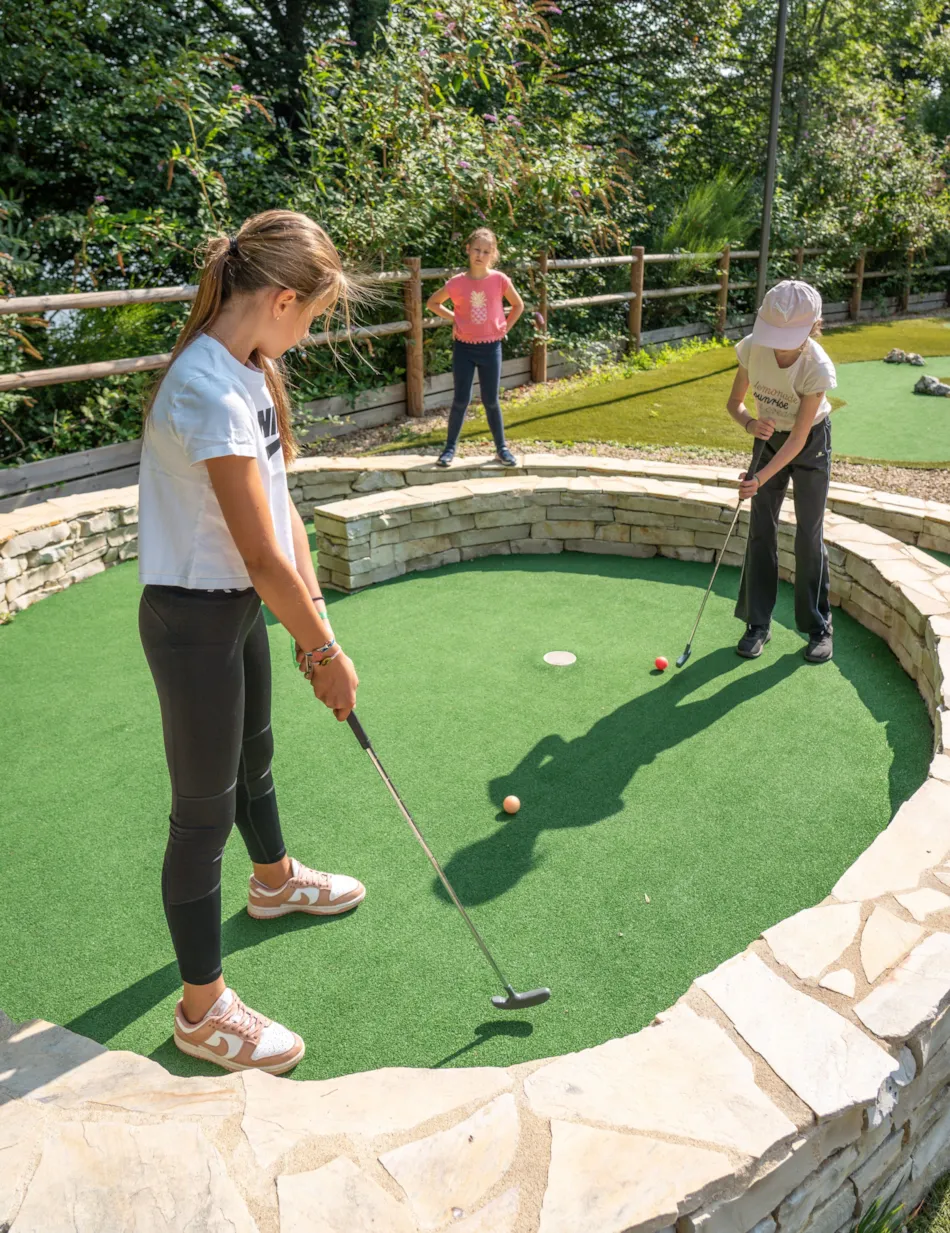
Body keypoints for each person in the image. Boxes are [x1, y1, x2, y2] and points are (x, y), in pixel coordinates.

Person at [138, 210, 364, 1075]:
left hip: (235, 609)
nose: (306, 336)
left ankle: (273, 881)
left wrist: (321, 633)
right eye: (310, 316)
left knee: (253, 760)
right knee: (199, 818)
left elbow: (284, 518)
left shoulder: (252, 369)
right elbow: (260, 552)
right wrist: (320, 652)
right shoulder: (202, 386)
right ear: (277, 298)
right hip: (192, 620)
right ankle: (201, 1011)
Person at [726, 279, 838, 664]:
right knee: (761, 529)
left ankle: (818, 626)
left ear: (813, 326)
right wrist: (749, 425)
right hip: (769, 438)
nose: (778, 343)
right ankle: (757, 623)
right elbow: (735, 403)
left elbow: (798, 440)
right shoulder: (753, 347)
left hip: (809, 445)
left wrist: (759, 478)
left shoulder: (817, 368)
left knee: (808, 533)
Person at [426, 227, 525, 468]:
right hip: (464, 349)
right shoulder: (457, 283)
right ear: (468, 250)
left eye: (486, 251)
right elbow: (432, 303)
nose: (480, 255)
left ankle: (502, 449)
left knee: (491, 400)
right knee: (461, 400)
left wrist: (504, 328)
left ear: (493, 254)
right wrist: (455, 318)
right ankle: (449, 449)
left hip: (491, 349)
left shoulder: (499, 280)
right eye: (477, 250)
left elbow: (518, 305)